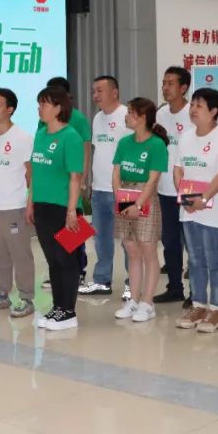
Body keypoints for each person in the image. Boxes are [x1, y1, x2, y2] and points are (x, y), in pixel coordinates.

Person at [174, 88, 218, 333]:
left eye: (199, 106)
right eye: (192, 105)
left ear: (214, 111)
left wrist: (204, 197)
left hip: (213, 209)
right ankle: (199, 305)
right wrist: (185, 197)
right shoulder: (186, 137)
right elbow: (178, 168)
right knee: (195, 259)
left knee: (213, 260)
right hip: (189, 208)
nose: (193, 109)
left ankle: (217, 310)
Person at [28, 85, 84, 330]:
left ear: (59, 108)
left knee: (66, 259)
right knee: (52, 260)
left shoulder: (71, 137)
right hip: (42, 206)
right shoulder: (40, 134)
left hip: (65, 209)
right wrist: (30, 202)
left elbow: (75, 177)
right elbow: (35, 172)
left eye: (45, 104)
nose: (40, 108)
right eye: (39, 103)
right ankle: (57, 307)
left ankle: (68, 312)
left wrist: (72, 212)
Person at [0, 88, 36, 318]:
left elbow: (31, 174)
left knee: (20, 254)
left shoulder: (22, 137)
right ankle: (2, 294)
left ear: (10, 109)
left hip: (15, 206)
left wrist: (30, 203)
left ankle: (27, 298)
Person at [112, 98, 170, 323]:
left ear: (142, 117)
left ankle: (147, 303)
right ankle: (133, 300)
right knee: (131, 250)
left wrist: (138, 205)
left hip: (145, 198)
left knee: (148, 250)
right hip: (125, 196)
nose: (126, 116)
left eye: (130, 112)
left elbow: (153, 180)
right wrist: (121, 199)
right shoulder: (124, 142)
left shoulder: (156, 144)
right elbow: (116, 173)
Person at [79, 74, 131, 298]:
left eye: (99, 91)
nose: (95, 95)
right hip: (100, 188)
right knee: (100, 238)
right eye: (93, 91)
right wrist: (91, 182)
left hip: (125, 189)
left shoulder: (128, 116)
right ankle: (102, 280)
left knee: (130, 240)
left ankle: (133, 283)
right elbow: (97, 152)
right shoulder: (97, 118)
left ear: (114, 92)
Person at [39, 76, 92, 287]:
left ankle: (79, 271)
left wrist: (82, 177)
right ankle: (61, 280)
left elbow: (85, 147)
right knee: (54, 251)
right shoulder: (43, 127)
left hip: (69, 190)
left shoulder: (76, 120)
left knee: (71, 242)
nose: (41, 107)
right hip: (47, 197)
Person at [154, 66, 194, 305]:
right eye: (164, 83)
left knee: (193, 243)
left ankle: (196, 293)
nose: (165, 87)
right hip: (165, 187)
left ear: (184, 87)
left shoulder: (193, 112)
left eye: (170, 83)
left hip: (190, 186)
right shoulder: (160, 114)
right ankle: (175, 288)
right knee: (170, 242)